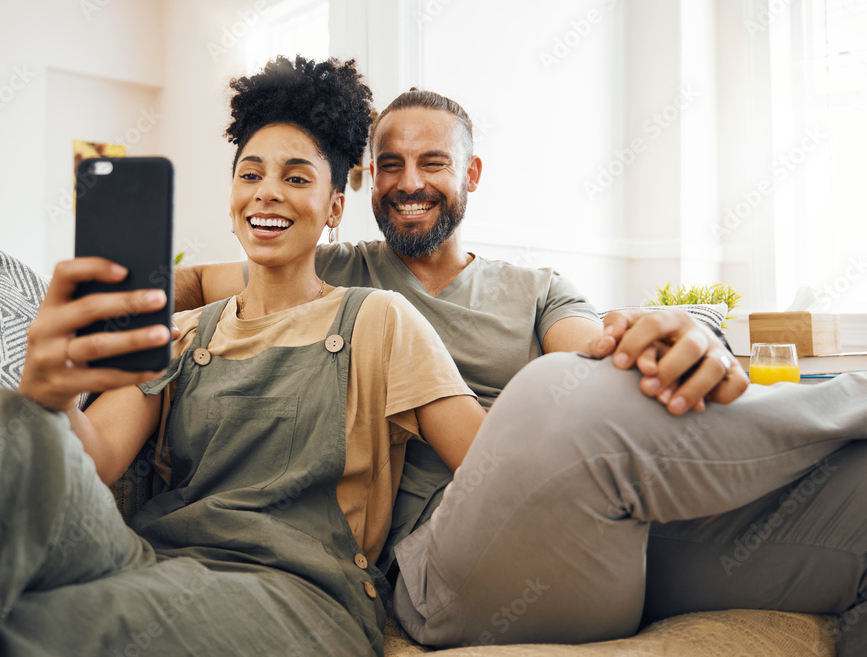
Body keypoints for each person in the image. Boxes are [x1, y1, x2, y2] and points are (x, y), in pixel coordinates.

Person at [174, 90, 867, 655]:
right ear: (363, 181)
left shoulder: (538, 287)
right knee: (544, 397)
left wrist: (686, 329)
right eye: (389, 164)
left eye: (432, 162)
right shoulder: (331, 272)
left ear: (470, 175)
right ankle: (853, 397)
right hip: (443, 560)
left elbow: (602, 360)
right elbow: (185, 284)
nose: (409, 182)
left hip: (584, 527)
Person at [0, 56, 487, 657]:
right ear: (232, 197)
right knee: (0, 418)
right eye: (250, 174)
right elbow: (96, 457)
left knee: (47, 624)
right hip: (149, 555)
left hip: (298, 593)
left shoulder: (379, 319)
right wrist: (48, 396)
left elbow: (487, 464)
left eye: (296, 177)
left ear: (332, 206)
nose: (267, 194)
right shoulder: (184, 332)